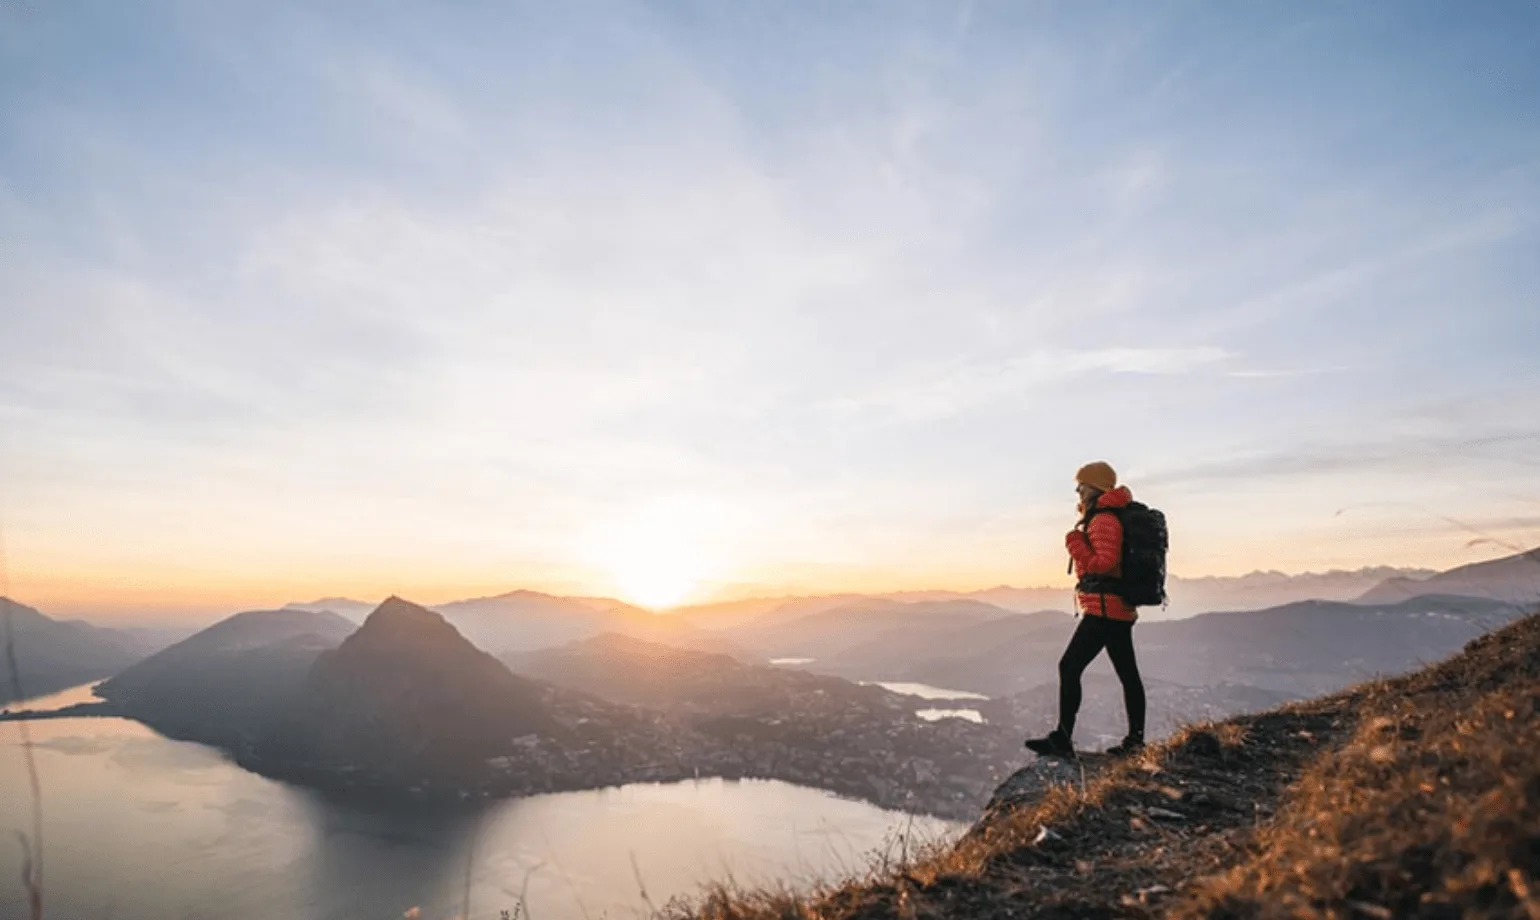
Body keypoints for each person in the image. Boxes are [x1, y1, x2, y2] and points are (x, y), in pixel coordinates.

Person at [1025, 461, 1148, 759]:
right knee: (1128, 675)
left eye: (1081, 485)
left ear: (1095, 487)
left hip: (1105, 610)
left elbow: (1104, 563)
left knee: (1069, 667)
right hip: (1115, 609)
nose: (1078, 490)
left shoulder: (1103, 520)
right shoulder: (1105, 516)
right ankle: (1135, 741)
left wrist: (1076, 544)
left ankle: (1063, 739)